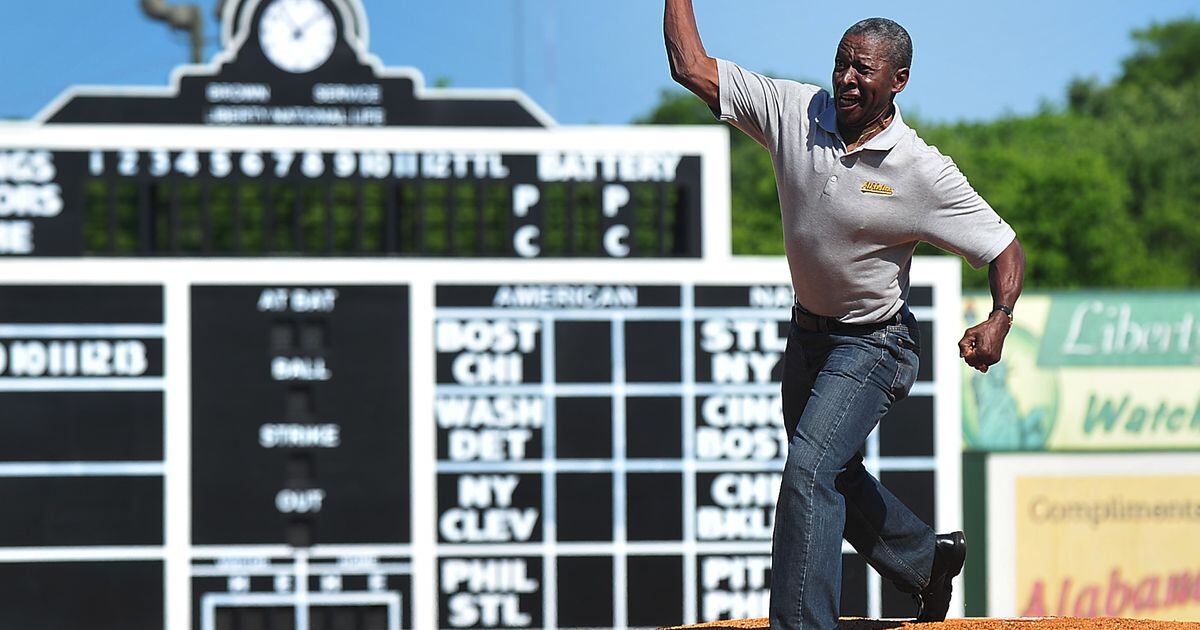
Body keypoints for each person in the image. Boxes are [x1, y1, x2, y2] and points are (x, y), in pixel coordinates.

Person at [663, 3, 1026, 629]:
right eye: (841, 64)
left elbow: (1003, 246)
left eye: (863, 68)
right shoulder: (794, 111)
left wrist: (999, 315)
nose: (847, 78)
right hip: (808, 337)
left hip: (875, 344)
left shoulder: (921, 170)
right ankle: (926, 562)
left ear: (898, 81)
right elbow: (691, 67)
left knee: (808, 470)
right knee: (832, 471)